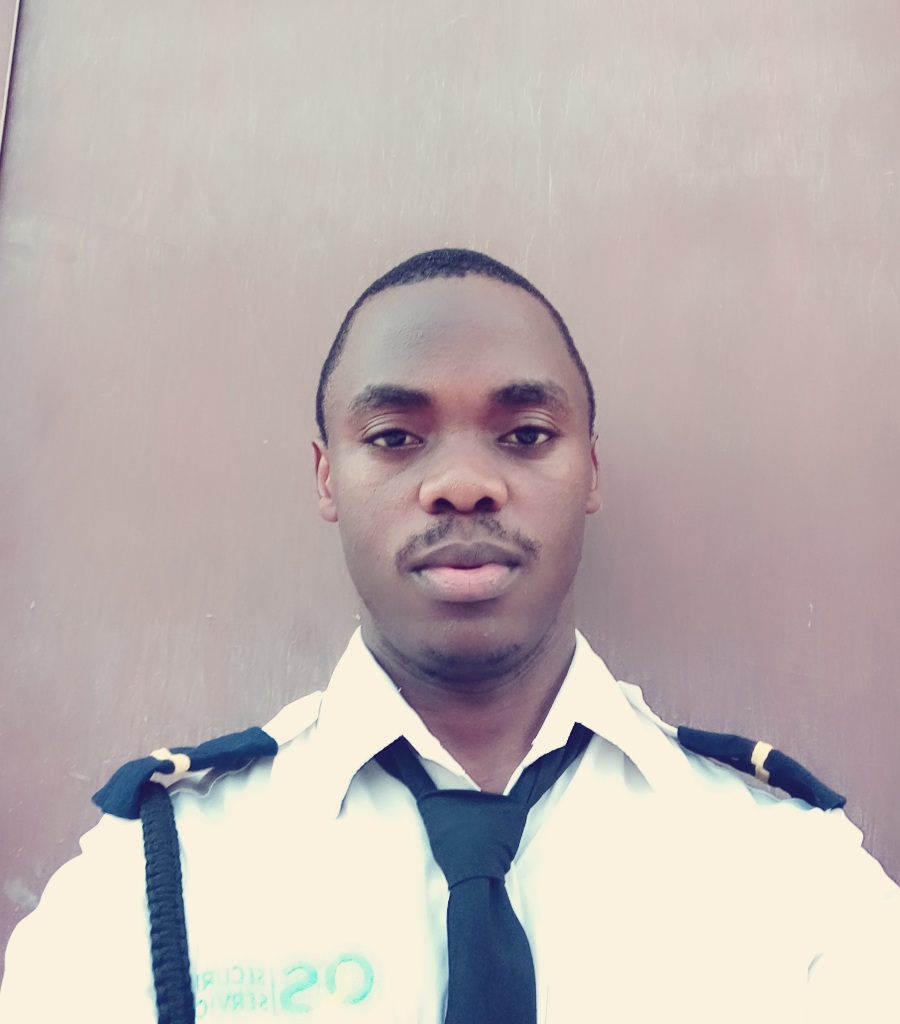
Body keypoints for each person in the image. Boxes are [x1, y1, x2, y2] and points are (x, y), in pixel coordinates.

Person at [1, 247, 898, 1023]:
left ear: (591, 471)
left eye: (527, 434)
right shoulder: (154, 873)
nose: (463, 482)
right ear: (327, 478)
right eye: (395, 437)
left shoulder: (790, 866)